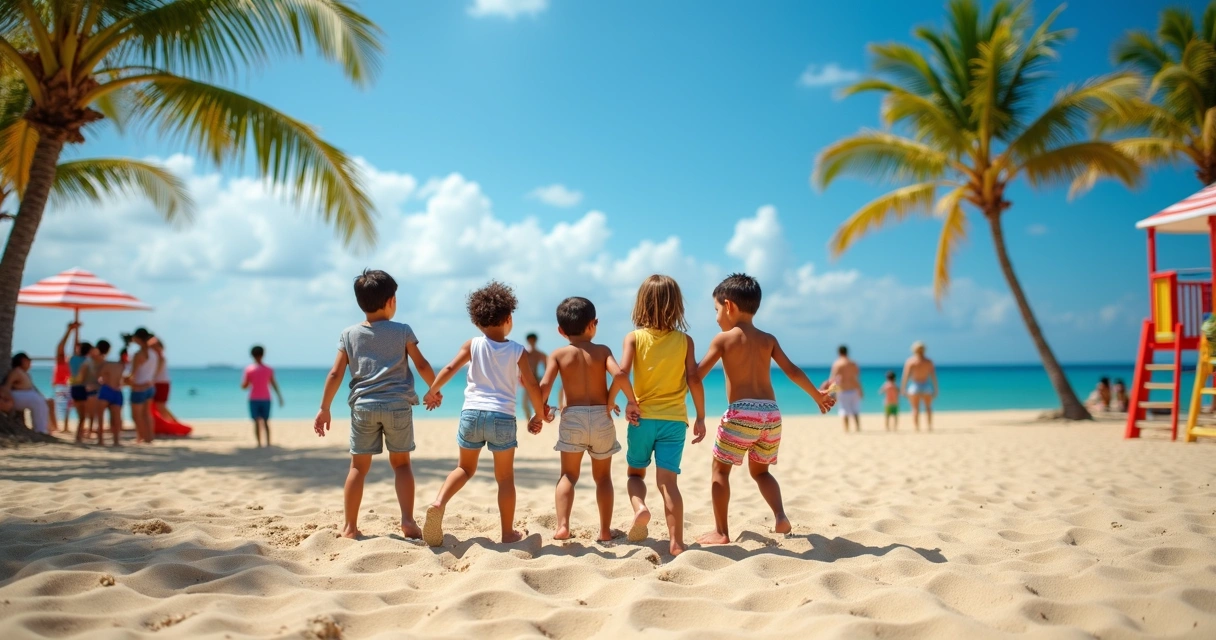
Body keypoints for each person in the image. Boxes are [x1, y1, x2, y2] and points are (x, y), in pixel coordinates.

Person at [695, 274, 835, 546]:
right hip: (771, 414)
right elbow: (792, 371)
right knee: (761, 472)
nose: (715, 317)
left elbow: (697, 375)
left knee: (720, 472)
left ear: (728, 306)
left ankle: (721, 532)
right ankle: (780, 516)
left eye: (715, 310)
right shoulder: (768, 339)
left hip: (741, 413)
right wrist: (816, 396)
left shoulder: (723, 340)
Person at [315, 269, 438, 540]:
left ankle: (349, 527)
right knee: (402, 465)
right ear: (391, 300)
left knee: (358, 468)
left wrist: (325, 407)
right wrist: (434, 389)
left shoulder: (349, 334)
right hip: (397, 406)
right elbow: (421, 364)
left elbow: (335, 373)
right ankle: (407, 521)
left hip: (363, 407)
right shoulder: (402, 331)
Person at [422, 281, 547, 547]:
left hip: (471, 414)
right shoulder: (517, 350)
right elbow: (532, 385)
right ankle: (507, 533)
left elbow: (449, 368)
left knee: (464, 468)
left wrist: (433, 390)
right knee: (504, 478)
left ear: (477, 322)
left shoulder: (472, 344)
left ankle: (439, 502)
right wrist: (539, 414)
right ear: (509, 318)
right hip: (501, 417)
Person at [536, 297, 641, 542]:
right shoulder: (603, 351)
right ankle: (605, 531)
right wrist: (630, 401)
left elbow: (544, 386)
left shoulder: (558, 355)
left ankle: (563, 526)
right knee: (603, 478)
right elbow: (621, 375)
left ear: (561, 331)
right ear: (594, 324)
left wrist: (539, 412)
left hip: (573, 416)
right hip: (601, 417)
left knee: (568, 476)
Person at [617, 274, 705, 556]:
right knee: (668, 483)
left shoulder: (633, 338)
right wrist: (701, 416)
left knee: (635, 473)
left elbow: (621, 373)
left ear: (641, 304)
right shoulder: (686, 341)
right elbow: (694, 379)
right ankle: (676, 542)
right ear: (677, 305)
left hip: (642, 418)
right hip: (674, 421)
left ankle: (640, 507)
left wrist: (626, 401)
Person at [243, 345, 283, 447]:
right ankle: (267, 443)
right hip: (265, 398)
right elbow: (274, 384)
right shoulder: (268, 369)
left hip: (254, 399)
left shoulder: (249, 369)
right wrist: (279, 397)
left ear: (252, 355)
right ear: (263, 354)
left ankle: (260, 443)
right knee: (265, 422)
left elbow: (245, 386)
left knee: (258, 422)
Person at [125, 328, 158, 444]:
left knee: (136, 416)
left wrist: (123, 379)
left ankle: (141, 437)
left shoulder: (138, 354)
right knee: (147, 413)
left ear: (138, 339)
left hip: (139, 387)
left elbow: (132, 374)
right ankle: (149, 437)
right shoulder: (154, 353)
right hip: (149, 386)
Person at [4, 353, 51, 434]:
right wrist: (7, 400)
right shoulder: (16, 372)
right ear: (22, 361)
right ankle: (40, 430)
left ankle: (43, 429)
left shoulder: (26, 374)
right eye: (28, 361)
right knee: (36, 400)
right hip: (15, 398)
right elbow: (7, 386)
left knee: (40, 401)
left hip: (26, 397)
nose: (30, 363)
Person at [901, 341, 939, 431]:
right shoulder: (928, 361)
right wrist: (936, 389)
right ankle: (929, 426)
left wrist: (903, 388)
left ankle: (916, 427)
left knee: (915, 408)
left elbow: (905, 376)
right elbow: (933, 377)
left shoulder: (910, 361)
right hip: (926, 385)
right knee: (928, 407)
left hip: (915, 386)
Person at [52, 322, 81, 432]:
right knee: (63, 408)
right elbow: (61, 347)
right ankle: (63, 428)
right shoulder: (61, 361)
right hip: (61, 385)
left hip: (69, 385)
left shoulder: (72, 361)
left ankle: (65, 428)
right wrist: (69, 331)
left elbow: (76, 348)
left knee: (68, 408)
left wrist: (76, 331)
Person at [95, 340, 124, 446]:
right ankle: (116, 440)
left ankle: (100, 440)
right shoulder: (120, 365)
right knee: (116, 418)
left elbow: (98, 377)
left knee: (101, 418)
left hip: (106, 389)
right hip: (117, 391)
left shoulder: (103, 363)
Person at [829, 345, 863, 432]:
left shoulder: (837, 364)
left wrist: (832, 393)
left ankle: (847, 429)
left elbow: (833, 379)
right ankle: (858, 428)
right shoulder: (853, 363)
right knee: (855, 410)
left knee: (844, 411)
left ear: (839, 352)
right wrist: (860, 390)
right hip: (854, 389)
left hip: (843, 391)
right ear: (847, 352)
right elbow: (856, 378)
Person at [72, 342, 99, 442]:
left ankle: (78, 436)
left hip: (74, 388)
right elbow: (85, 377)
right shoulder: (88, 362)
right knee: (84, 416)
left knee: (81, 415)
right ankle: (79, 437)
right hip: (83, 388)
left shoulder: (72, 359)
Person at [149, 337, 177, 423]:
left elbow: (157, 372)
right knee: (158, 406)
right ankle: (170, 423)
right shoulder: (156, 358)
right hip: (159, 383)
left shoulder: (160, 358)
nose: (153, 349)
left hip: (161, 383)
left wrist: (150, 380)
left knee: (160, 406)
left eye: (155, 346)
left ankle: (174, 423)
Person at [521, 332, 547, 420]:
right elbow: (518, 367)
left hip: (536, 380)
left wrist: (544, 380)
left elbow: (547, 368)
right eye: (530, 340)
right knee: (525, 404)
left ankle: (538, 419)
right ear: (528, 340)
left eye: (533, 340)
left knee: (537, 403)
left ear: (535, 341)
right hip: (526, 380)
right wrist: (519, 378)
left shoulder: (539, 354)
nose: (532, 341)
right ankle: (529, 420)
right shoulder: (524, 353)